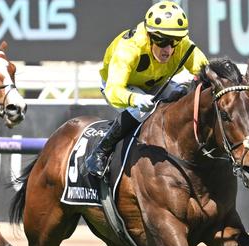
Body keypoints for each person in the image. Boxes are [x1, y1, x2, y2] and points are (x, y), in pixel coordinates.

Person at [85, 1, 209, 177]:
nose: (169, 49)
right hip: (121, 87)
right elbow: (114, 90)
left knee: (183, 95)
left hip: (156, 83)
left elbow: (206, 71)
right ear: (150, 36)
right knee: (143, 109)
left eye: (174, 42)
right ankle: (101, 151)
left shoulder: (182, 45)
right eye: (163, 41)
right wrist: (134, 99)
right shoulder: (128, 50)